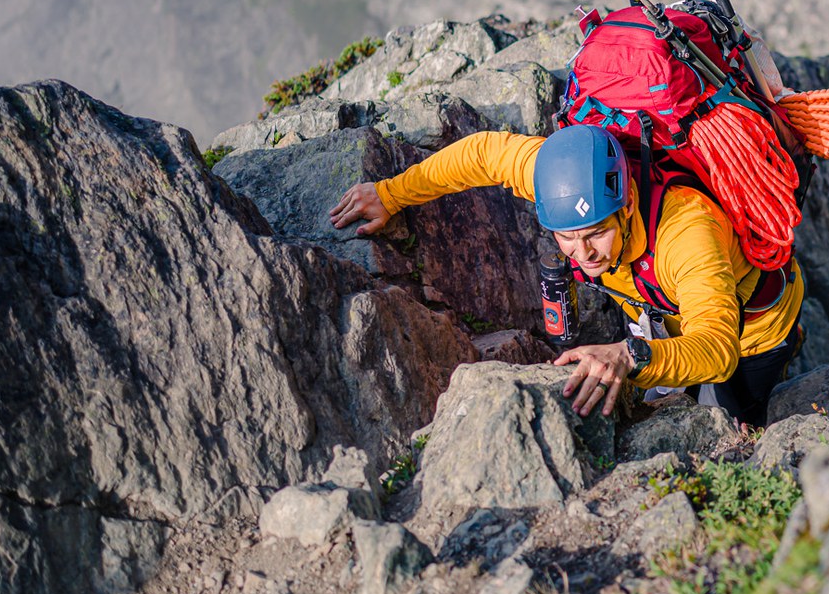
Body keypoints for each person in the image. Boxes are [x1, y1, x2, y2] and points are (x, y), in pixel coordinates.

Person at [328, 124, 804, 427]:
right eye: (565, 237)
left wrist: (629, 354)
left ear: (629, 205)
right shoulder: (559, 175)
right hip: (657, 302)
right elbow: (478, 155)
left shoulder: (689, 233)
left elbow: (717, 350)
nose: (583, 253)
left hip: (751, 332)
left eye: (595, 233)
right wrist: (391, 194)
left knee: (734, 425)